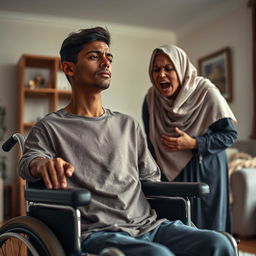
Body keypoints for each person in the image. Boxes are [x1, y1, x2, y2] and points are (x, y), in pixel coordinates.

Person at [19, 28, 236, 256]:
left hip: (148, 226)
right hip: (96, 232)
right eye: (94, 56)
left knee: (219, 244)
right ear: (69, 68)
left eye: (109, 57)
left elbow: (151, 178)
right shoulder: (50, 126)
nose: (106, 63)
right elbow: (29, 161)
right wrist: (42, 164)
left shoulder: (128, 125)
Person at [142, 45, 237, 233]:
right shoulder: (151, 99)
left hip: (204, 171)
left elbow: (229, 135)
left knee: (206, 231)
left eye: (168, 68)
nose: (161, 75)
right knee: (176, 231)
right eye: (156, 69)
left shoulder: (206, 93)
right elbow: (150, 140)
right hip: (168, 175)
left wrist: (194, 143)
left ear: (181, 69)